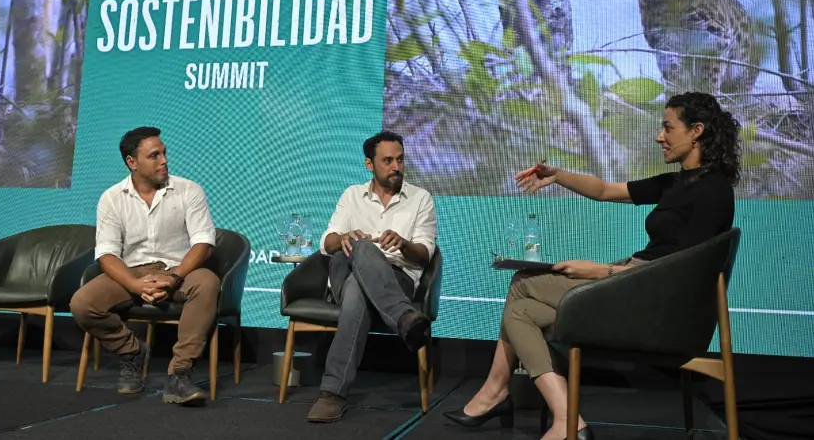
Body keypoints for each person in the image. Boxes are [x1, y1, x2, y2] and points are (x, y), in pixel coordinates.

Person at [443, 92, 740, 440]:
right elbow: (603, 190)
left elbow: (684, 274)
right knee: (521, 310)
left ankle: (500, 394)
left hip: (653, 305)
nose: (659, 136)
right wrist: (557, 175)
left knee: (524, 283)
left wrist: (602, 272)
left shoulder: (713, 191)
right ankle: (562, 418)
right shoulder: (677, 182)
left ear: (697, 131)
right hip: (637, 285)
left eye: (667, 127)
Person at [70, 126, 219, 406]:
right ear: (132, 162)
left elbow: (203, 243)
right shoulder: (112, 198)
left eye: (164, 153)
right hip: (133, 271)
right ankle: (132, 351)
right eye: (154, 155)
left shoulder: (189, 190)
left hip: (179, 270)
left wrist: (174, 277)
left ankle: (179, 374)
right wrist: (135, 284)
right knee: (82, 302)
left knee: (208, 282)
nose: (164, 160)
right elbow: (107, 255)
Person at [306, 130, 438, 423]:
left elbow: (425, 253)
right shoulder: (352, 195)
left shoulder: (421, 199)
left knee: (358, 290)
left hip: (396, 277)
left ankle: (332, 393)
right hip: (346, 268)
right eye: (388, 160)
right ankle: (404, 318)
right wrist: (344, 237)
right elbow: (326, 243)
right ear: (370, 164)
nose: (396, 167)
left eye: (401, 160)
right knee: (362, 248)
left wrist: (403, 242)